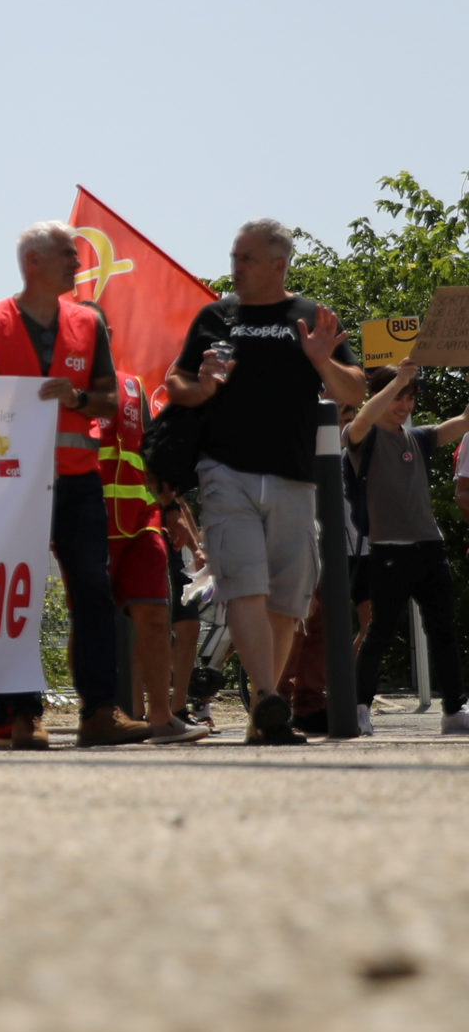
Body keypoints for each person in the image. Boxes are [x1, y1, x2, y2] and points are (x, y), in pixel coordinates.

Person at [164, 218, 365, 745]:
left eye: (246, 258)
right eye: (234, 256)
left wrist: (323, 362)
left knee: (287, 600)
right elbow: (175, 382)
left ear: (279, 264)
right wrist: (200, 383)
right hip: (224, 472)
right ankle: (271, 698)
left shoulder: (311, 317)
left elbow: (353, 392)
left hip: (294, 478)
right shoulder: (215, 316)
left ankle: (262, 712)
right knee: (244, 585)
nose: (235, 267)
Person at [0, 222, 148, 750]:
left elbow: (112, 401)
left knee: (91, 592)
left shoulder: (89, 323)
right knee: (15, 597)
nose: (77, 262)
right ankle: (22, 716)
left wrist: (78, 399)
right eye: (67, 254)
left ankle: (99, 712)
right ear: (33, 263)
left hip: (76, 481)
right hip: (9, 485)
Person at [343, 362, 468, 734]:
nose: (404, 405)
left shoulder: (418, 437)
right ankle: (360, 706)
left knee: (443, 630)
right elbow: (362, 421)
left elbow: (461, 423)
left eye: (410, 397)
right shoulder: (362, 435)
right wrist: (397, 379)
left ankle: (453, 711)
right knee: (379, 631)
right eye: (398, 396)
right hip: (389, 549)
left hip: (430, 547)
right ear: (380, 395)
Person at [100, 368, 210, 743]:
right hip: (86, 520)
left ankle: (162, 717)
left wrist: (172, 509)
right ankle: (109, 714)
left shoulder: (134, 387)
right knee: (96, 625)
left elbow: (150, 454)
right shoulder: (58, 383)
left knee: (155, 615)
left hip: (142, 523)